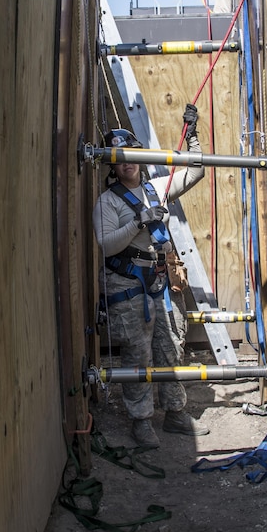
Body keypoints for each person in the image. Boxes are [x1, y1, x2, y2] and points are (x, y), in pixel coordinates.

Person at [93, 105, 209, 447]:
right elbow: (105, 246)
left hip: (160, 280)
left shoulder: (158, 187)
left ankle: (174, 412)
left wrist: (192, 137)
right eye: (120, 158)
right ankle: (141, 419)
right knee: (137, 354)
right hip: (128, 283)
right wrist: (138, 222)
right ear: (113, 165)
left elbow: (195, 171)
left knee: (171, 346)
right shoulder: (108, 203)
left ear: (141, 159)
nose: (127, 162)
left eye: (131, 155)